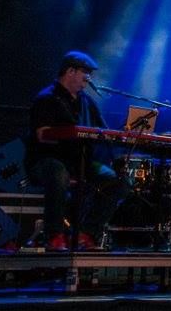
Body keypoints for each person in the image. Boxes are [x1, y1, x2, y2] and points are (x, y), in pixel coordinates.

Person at [26, 51, 128, 251]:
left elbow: (104, 132)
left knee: (119, 182)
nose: (88, 79)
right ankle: (54, 235)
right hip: (47, 160)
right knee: (58, 173)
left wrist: (124, 133)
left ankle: (87, 234)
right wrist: (73, 133)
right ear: (70, 71)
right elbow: (42, 134)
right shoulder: (47, 98)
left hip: (79, 162)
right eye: (85, 73)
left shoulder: (87, 102)